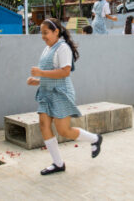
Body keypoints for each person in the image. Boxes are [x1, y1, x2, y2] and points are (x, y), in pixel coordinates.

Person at [27, 18, 103, 175]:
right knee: (43, 125)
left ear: (56, 31)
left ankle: (95, 139)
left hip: (60, 93)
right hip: (46, 92)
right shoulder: (47, 49)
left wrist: (40, 73)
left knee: (64, 130)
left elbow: (65, 72)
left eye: (46, 32)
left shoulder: (63, 48)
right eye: (41, 33)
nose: (43, 36)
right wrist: (37, 81)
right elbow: (50, 72)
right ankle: (58, 163)